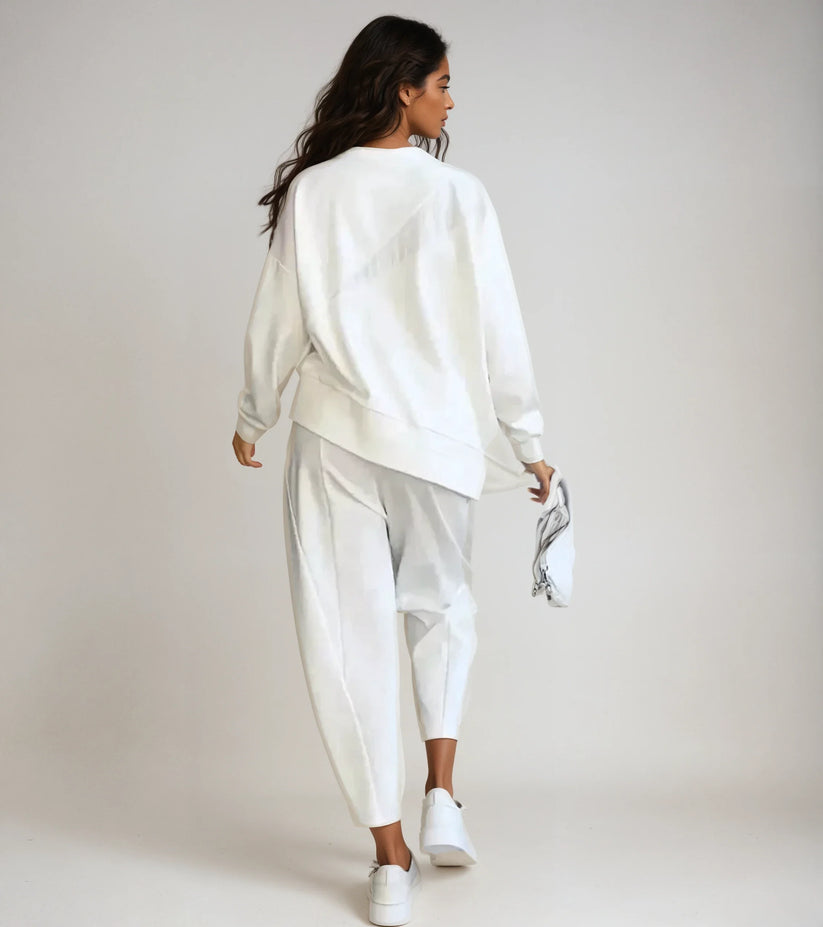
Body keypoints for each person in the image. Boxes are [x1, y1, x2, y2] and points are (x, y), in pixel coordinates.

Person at [231, 14, 554, 925]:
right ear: (403, 87)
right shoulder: (460, 196)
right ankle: (442, 793)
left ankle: (388, 860)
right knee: (441, 607)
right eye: (442, 83)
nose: (451, 99)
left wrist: (254, 411)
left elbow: (279, 317)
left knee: (349, 641)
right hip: (439, 442)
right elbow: (499, 328)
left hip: (336, 436)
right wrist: (526, 437)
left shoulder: (315, 192)